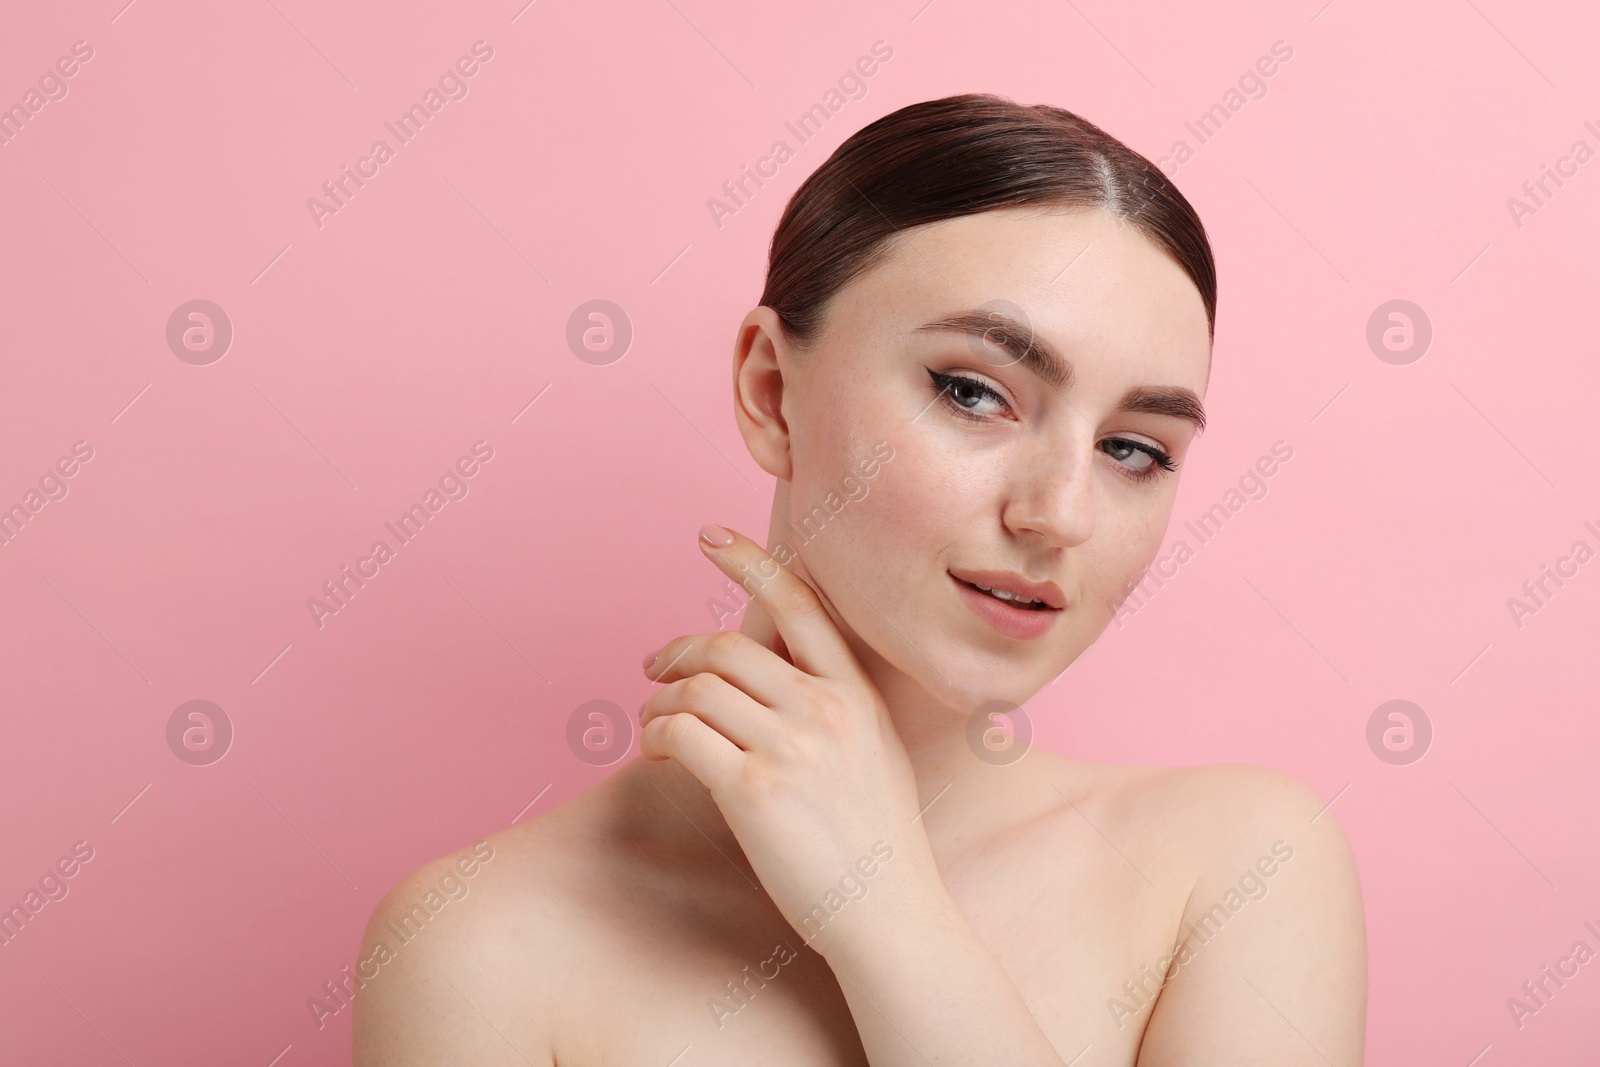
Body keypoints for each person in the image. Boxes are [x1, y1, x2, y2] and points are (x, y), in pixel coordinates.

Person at [352, 92, 1367, 1065]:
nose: (1058, 514)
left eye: (1134, 449)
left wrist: (886, 907)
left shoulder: (1237, 870)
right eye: (973, 392)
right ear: (769, 391)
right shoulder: (479, 948)